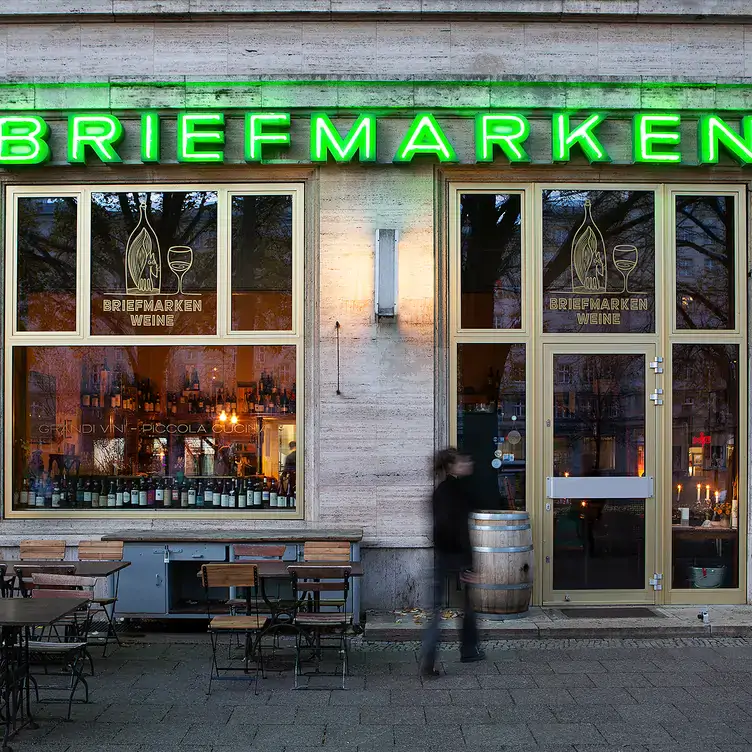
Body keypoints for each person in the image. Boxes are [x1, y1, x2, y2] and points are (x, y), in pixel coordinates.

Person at [420, 448, 484, 678]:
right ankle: (464, 651)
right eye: (462, 460)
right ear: (452, 466)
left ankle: (460, 651)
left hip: (444, 555)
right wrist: (467, 563)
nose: (467, 462)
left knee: (444, 610)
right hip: (456, 556)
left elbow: (439, 528)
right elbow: (458, 530)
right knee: (461, 607)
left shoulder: (441, 491)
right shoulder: (456, 492)